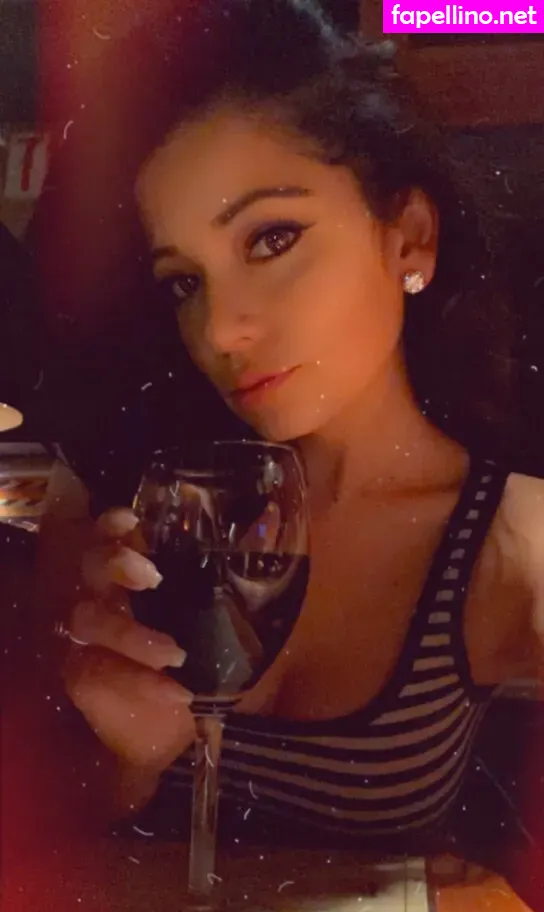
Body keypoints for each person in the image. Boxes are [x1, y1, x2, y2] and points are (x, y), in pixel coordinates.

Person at [28, 0, 544, 864]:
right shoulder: (132, 515)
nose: (220, 329)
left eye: (271, 239)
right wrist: (127, 763)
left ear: (409, 239)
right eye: (184, 281)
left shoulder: (510, 539)